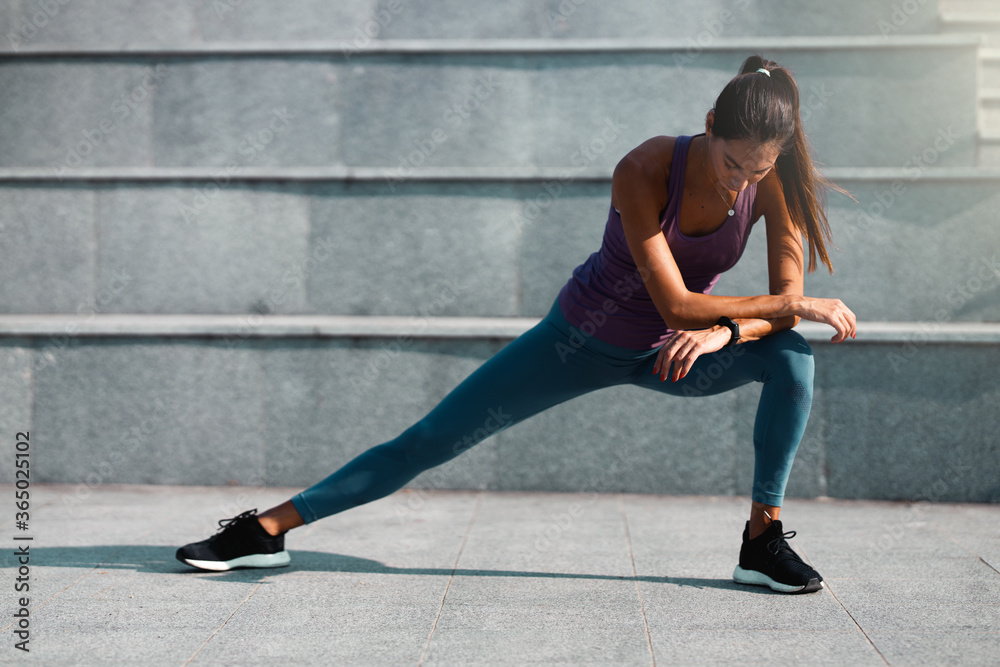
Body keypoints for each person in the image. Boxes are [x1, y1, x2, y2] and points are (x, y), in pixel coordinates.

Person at [176, 55, 857, 594]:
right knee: (429, 440)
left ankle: (761, 541)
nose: (741, 180)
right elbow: (687, 302)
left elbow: (779, 300)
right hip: (579, 341)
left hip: (675, 354)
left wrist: (730, 332)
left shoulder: (774, 183)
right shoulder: (645, 168)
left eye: (758, 168)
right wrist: (773, 310)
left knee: (793, 358)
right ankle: (266, 529)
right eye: (732, 161)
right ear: (710, 122)